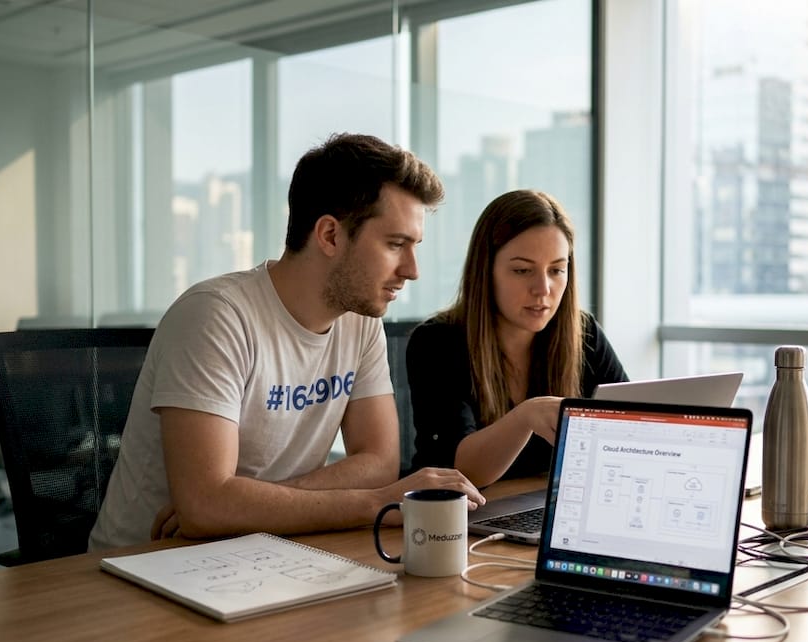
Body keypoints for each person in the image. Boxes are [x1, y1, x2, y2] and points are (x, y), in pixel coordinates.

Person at [89, 133, 485, 551]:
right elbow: (206, 506)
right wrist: (371, 504)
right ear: (330, 235)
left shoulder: (360, 322)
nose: (412, 270)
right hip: (146, 563)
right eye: (395, 244)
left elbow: (379, 463)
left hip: (268, 548)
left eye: (414, 246)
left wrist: (243, 504)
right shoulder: (216, 316)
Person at [405, 189, 628, 487]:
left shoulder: (583, 333)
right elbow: (462, 471)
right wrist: (526, 417)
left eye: (557, 270)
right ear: (486, 271)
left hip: (540, 507)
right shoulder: (437, 342)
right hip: (456, 520)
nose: (543, 288)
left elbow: (630, 425)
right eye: (522, 270)